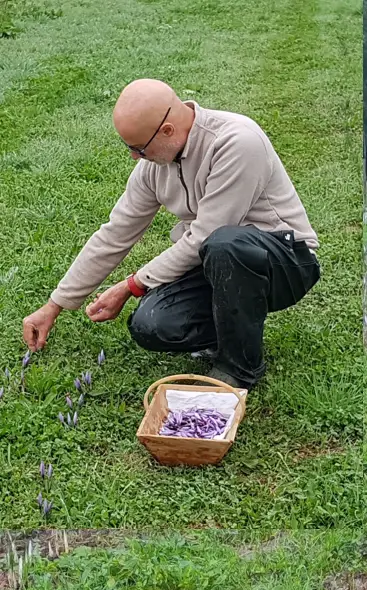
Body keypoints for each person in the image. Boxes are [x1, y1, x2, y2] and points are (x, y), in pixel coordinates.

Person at [20, 78, 321, 389]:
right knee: (151, 324)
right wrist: (54, 305)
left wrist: (131, 285)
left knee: (224, 243)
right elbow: (115, 233)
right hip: (216, 260)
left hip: (285, 261)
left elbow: (205, 235)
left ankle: (238, 369)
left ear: (166, 130)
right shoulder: (154, 166)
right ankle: (232, 328)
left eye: (138, 148)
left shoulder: (237, 141)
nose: (134, 157)